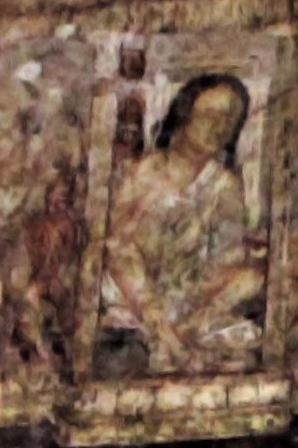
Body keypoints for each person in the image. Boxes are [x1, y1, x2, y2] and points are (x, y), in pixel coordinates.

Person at [97, 74, 265, 376]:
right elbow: (119, 247)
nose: (219, 127)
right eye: (210, 115)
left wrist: (194, 295)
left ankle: (179, 336)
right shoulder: (142, 172)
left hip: (189, 297)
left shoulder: (224, 185)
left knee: (252, 279)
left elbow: (226, 258)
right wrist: (153, 307)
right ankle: (166, 337)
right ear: (185, 114)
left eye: (229, 119)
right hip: (137, 293)